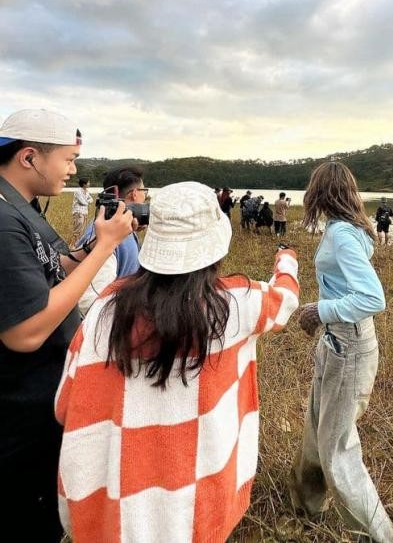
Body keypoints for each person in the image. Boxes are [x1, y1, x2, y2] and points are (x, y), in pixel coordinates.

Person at [55, 182, 300, 543]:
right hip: (202, 509)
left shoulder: (106, 311)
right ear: (215, 246)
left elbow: (65, 405)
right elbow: (286, 298)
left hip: (117, 515)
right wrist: (286, 259)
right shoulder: (239, 304)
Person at [0, 109, 134, 543]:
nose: (75, 170)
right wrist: (107, 249)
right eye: (69, 158)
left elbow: (49, 265)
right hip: (17, 406)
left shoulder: (19, 207)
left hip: (36, 394)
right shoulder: (3, 223)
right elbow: (26, 332)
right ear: (29, 157)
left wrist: (97, 238)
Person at [289, 161, 393, 543]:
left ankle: (379, 537)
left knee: (338, 447)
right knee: (317, 425)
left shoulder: (343, 235)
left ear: (321, 191)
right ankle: (307, 507)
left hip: (349, 344)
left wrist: (318, 310)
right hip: (337, 342)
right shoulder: (346, 228)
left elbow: (372, 298)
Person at [77, 166, 148, 314]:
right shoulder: (105, 236)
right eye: (144, 191)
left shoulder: (121, 229)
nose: (146, 197)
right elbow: (89, 301)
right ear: (135, 194)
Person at [71, 177, 92, 245]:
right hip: (78, 212)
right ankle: (73, 244)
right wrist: (87, 201)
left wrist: (87, 201)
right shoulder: (78, 191)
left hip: (85, 212)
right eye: (88, 182)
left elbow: (91, 200)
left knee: (83, 229)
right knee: (78, 228)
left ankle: (79, 244)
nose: (89, 183)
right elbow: (83, 202)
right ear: (84, 184)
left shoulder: (87, 192)